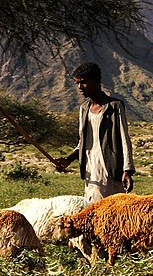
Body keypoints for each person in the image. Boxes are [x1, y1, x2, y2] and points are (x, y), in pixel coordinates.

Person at [57, 61, 135, 204]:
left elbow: (125, 139)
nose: (80, 87)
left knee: (112, 211)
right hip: (90, 170)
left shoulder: (115, 106)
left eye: (84, 82)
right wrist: (68, 159)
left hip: (110, 168)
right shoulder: (84, 108)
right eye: (78, 83)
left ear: (96, 82)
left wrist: (127, 170)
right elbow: (82, 141)